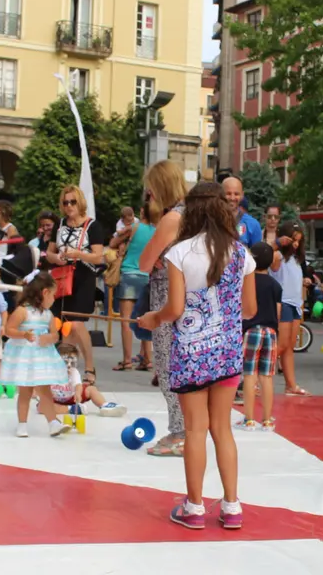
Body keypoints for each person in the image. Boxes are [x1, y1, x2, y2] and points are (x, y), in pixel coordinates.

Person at [138, 182, 256, 530]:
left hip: (190, 354)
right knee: (223, 430)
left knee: (195, 430)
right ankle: (232, 506)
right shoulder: (241, 253)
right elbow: (249, 308)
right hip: (227, 354)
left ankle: (194, 507)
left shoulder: (180, 253)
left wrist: (152, 318)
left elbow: (174, 309)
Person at [137, 160, 190, 457]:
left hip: (167, 295)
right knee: (183, 367)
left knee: (168, 365)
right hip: (191, 297)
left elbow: (144, 262)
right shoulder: (194, 214)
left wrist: (158, 259)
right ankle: (187, 430)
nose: (150, 195)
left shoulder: (172, 218)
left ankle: (180, 433)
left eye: (152, 189)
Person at [0, 272, 72, 438]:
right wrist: (23, 335)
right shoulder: (22, 311)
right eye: (53, 295)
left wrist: (50, 338)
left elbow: (55, 335)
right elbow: (9, 330)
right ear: (45, 293)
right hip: (26, 358)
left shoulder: (48, 315)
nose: (54, 298)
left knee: (45, 390)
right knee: (25, 391)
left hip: (42, 357)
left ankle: (53, 422)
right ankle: (22, 424)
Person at [46, 185, 104, 384]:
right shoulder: (60, 224)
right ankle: (66, 368)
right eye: (65, 202)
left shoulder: (92, 226)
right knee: (63, 326)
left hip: (83, 278)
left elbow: (98, 257)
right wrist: (57, 258)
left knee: (77, 323)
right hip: (62, 277)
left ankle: (90, 366)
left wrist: (78, 254)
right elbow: (49, 252)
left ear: (80, 203)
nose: (69, 206)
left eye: (72, 202)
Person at [238, 241, 280, 431]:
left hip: (251, 330)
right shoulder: (275, 285)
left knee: (249, 375)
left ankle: (248, 419)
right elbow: (277, 312)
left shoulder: (246, 281)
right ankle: (267, 420)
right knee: (266, 376)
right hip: (270, 332)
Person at [109, 209, 155, 371]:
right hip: (147, 275)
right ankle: (147, 359)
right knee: (146, 318)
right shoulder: (157, 230)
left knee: (126, 320)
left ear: (142, 213)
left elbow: (112, 244)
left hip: (129, 274)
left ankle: (127, 360)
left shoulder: (133, 228)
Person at [271, 222, 310, 396]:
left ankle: (291, 385)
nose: (295, 244)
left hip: (295, 303)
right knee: (281, 345)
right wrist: (278, 243)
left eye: (299, 241)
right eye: (293, 240)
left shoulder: (296, 259)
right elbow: (267, 257)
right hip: (283, 302)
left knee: (289, 347)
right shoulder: (277, 255)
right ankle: (253, 379)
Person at [51, 342, 127, 417]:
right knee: (42, 407)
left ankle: (104, 405)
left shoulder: (73, 371)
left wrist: (78, 393)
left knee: (91, 389)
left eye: (73, 363)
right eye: (65, 362)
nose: (69, 366)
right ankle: (72, 409)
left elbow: (78, 385)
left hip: (73, 397)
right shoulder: (50, 373)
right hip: (55, 400)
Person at [221, 175, 261, 247]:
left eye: (236, 194)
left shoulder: (253, 224)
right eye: (228, 193)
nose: (232, 198)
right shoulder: (212, 221)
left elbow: (256, 256)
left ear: (242, 195)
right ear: (221, 194)